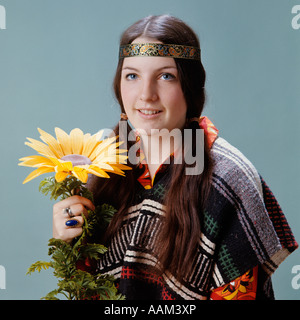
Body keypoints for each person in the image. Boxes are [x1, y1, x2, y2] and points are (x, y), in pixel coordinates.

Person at [52, 15, 298, 300]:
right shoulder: (102, 164)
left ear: (190, 86)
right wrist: (69, 242)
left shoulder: (229, 179)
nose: (146, 95)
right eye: (132, 75)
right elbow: (88, 289)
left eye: (165, 76)